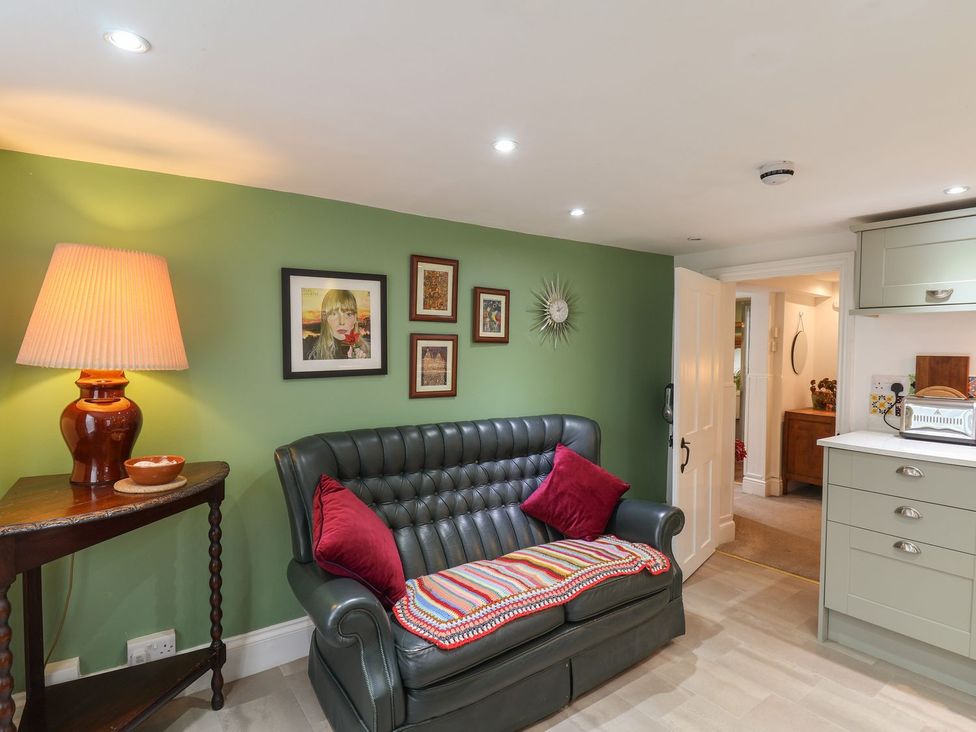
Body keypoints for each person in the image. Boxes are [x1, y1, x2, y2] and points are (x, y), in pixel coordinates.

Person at [304, 289, 370, 360]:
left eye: (348, 314)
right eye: (334, 314)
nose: (341, 322)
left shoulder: (369, 351)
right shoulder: (308, 348)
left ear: (355, 319)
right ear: (325, 318)